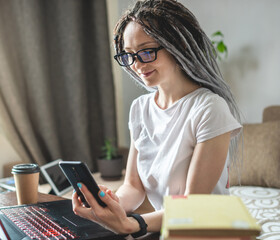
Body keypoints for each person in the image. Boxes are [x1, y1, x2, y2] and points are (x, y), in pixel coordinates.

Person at [72, 0, 242, 237]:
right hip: (168, 228)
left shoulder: (210, 109)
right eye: (129, 55)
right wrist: (112, 204)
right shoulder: (140, 109)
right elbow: (133, 185)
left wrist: (134, 223)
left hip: (207, 230)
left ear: (179, 45)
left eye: (146, 51)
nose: (137, 65)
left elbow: (192, 205)